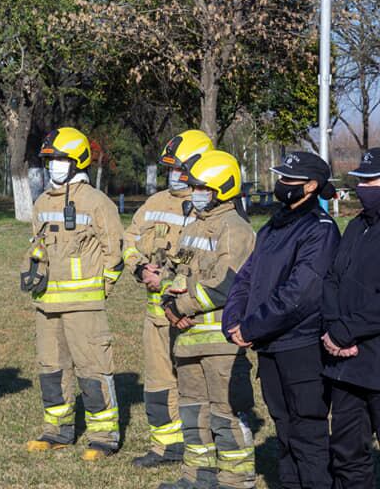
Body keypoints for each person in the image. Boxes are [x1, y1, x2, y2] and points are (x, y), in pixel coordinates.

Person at [222, 151, 338, 489]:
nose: (281, 185)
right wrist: (234, 321)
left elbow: (299, 295)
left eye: (290, 180)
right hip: (271, 344)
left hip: (301, 347)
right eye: (281, 177)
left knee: (307, 433)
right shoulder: (275, 223)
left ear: (311, 186)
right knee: (284, 430)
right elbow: (247, 277)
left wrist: (252, 326)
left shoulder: (320, 229)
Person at [23, 127, 124, 462]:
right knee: (51, 368)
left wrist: (100, 289)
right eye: (50, 159)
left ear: (78, 160)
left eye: (61, 159)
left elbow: (115, 253)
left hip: (85, 306)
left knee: (92, 369)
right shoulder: (40, 203)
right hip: (46, 305)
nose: (54, 165)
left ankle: (104, 435)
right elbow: (35, 247)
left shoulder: (97, 203)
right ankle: (57, 430)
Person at [158, 150, 256, 489]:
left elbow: (227, 285)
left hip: (220, 343)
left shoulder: (235, 229)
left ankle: (235, 479)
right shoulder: (194, 226)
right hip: (187, 340)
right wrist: (167, 303)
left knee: (225, 412)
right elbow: (175, 272)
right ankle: (196, 476)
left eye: (201, 187)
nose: (194, 192)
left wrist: (180, 306)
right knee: (192, 411)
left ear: (222, 188)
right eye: (194, 186)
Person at [123, 130, 213, 468]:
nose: (174, 175)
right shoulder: (155, 203)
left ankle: (201, 447)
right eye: (170, 168)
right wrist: (139, 268)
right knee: (159, 384)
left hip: (192, 317)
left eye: (180, 168)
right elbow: (129, 238)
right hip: (156, 317)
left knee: (196, 387)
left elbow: (214, 266)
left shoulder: (212, 210)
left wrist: (173, 281)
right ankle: (166, 447)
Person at [322, 148, 380, 488]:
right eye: (361, 181)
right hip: (348, 365)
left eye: (372, 181)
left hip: (371, 354)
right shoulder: (357, 226)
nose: (363, 187)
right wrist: (333, 329)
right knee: (346, 453)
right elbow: (332, 279)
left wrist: (346, 330)